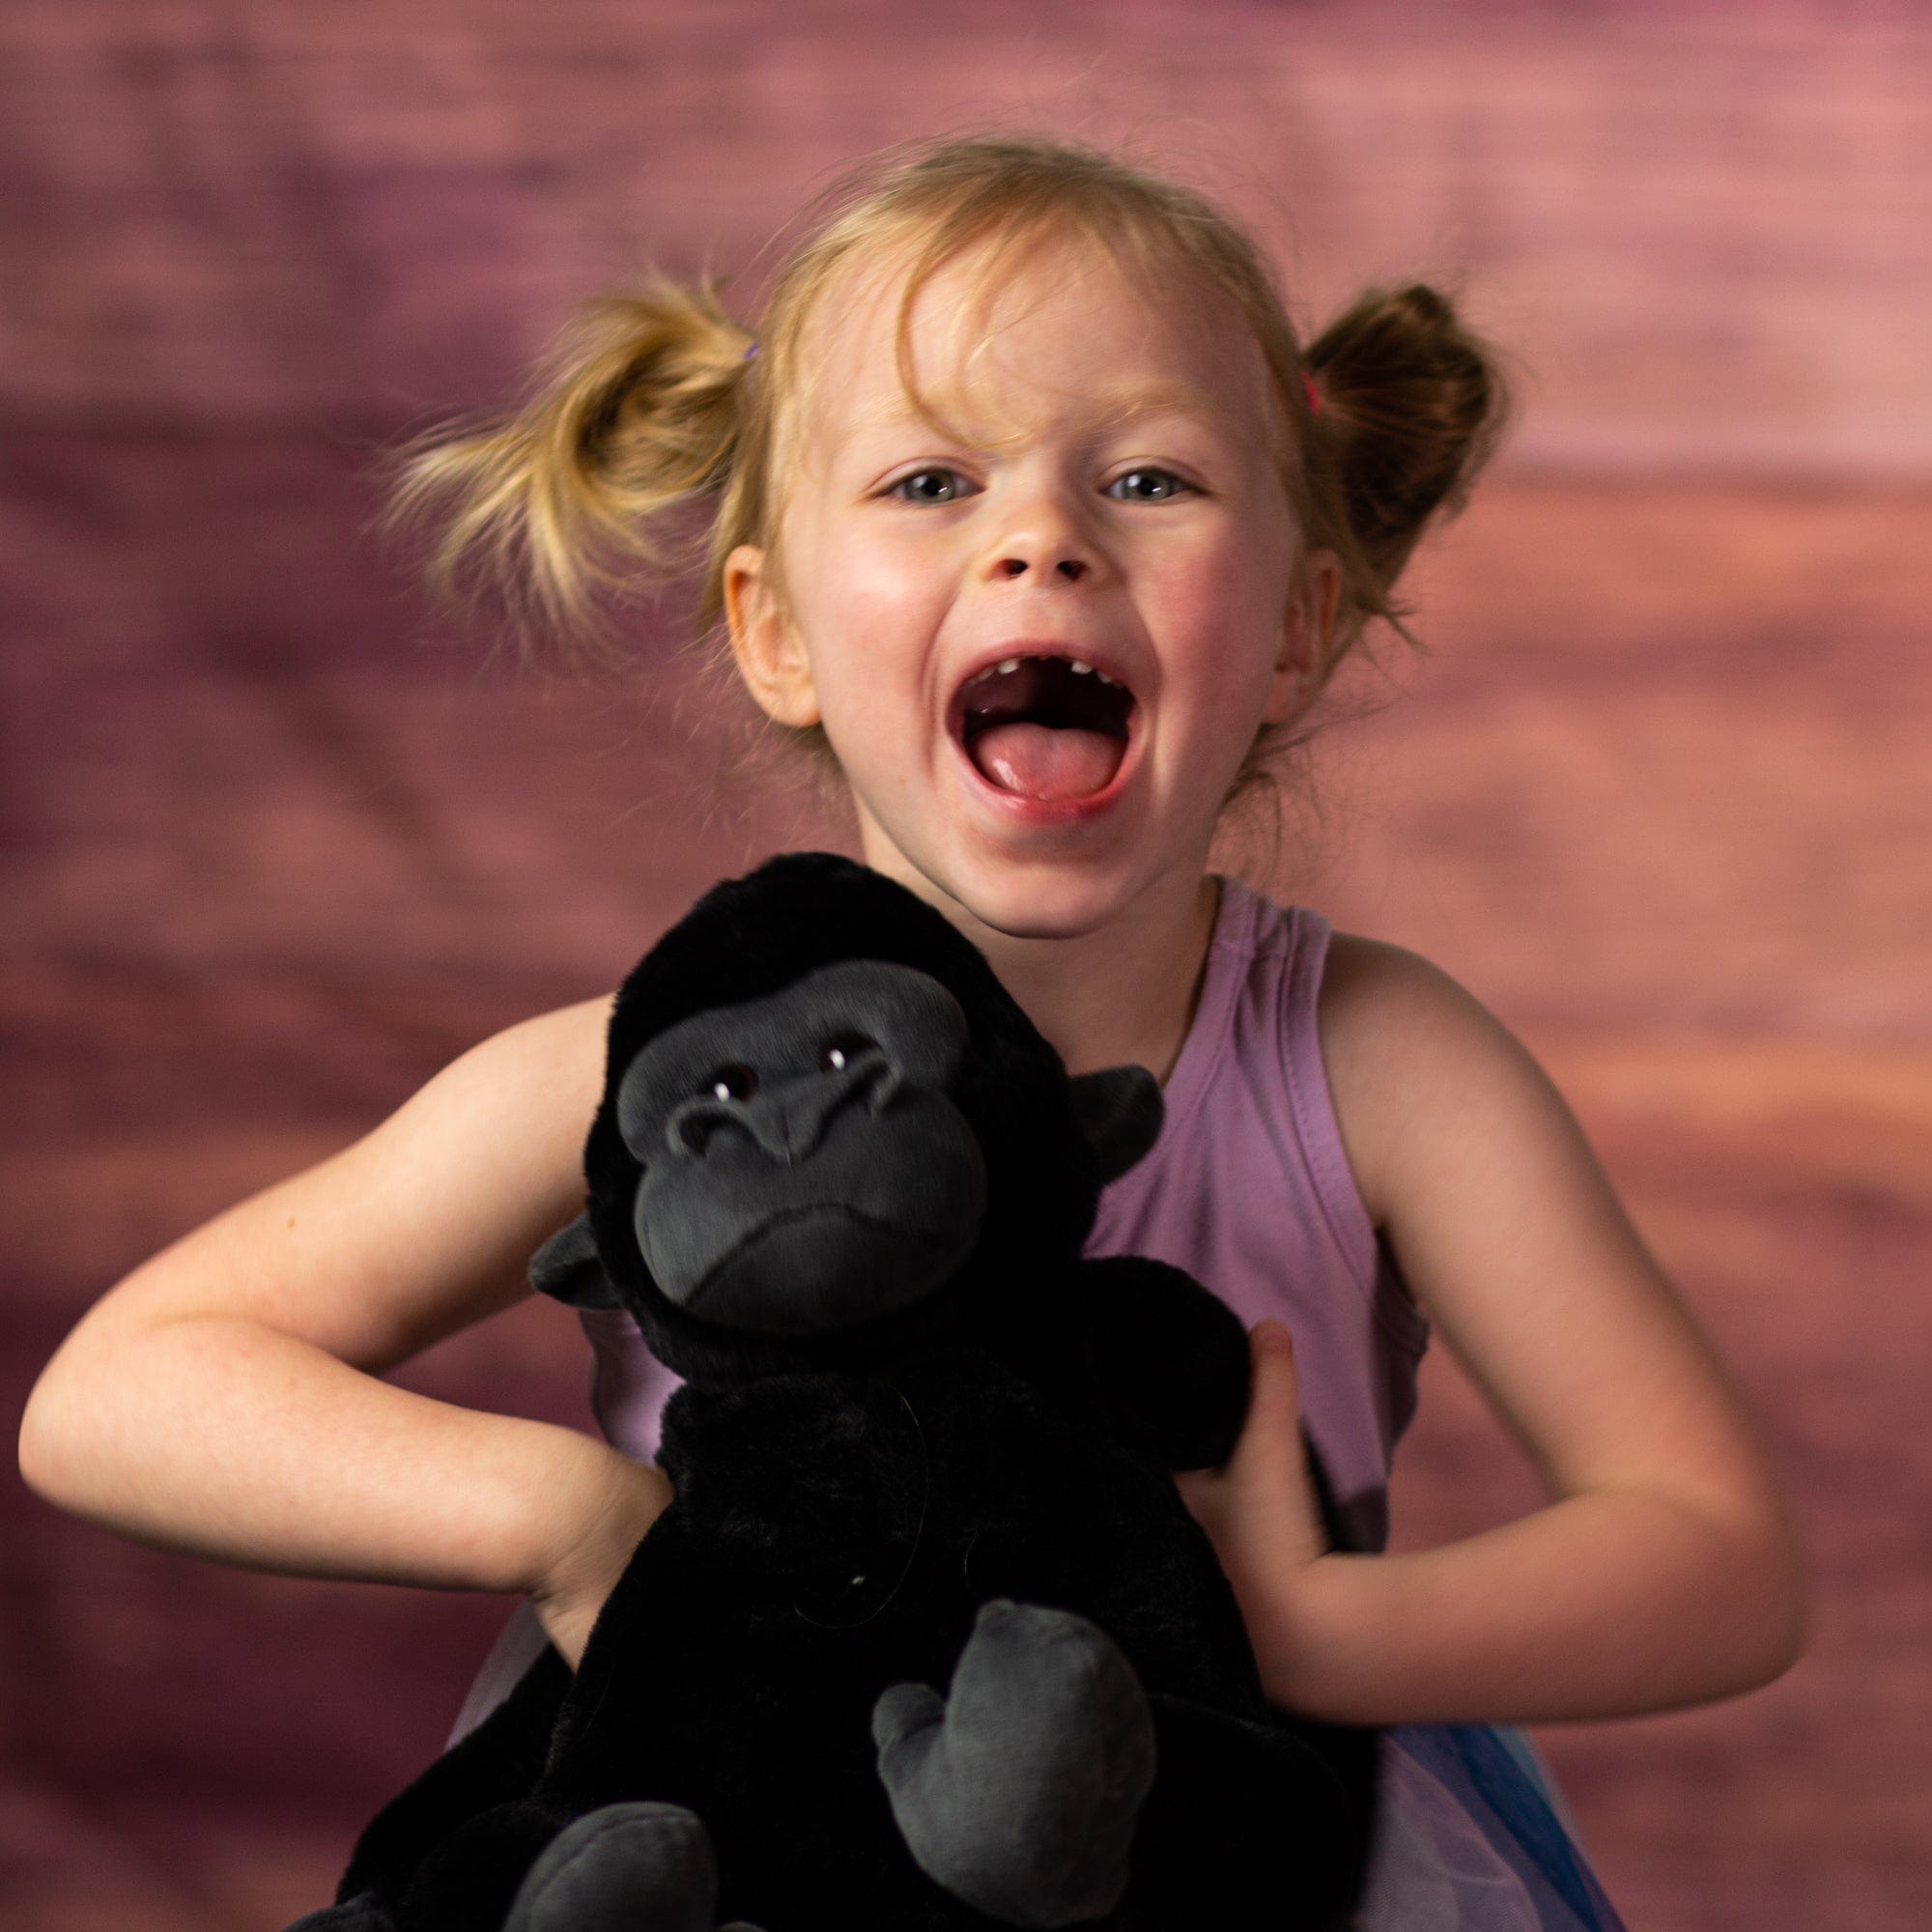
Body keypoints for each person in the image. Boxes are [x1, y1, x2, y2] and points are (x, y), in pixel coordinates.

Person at [18, 135, 1807, 1927]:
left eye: (1150, 476)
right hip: (740, 1838)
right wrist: (561, 1518)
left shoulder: (1375, 1062)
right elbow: (115, 1397)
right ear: (775, 631)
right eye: (934, 479)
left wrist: (1326, 1628)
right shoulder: (651, 1086)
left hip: (1224, 1842)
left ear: (1295, 629)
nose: (1044, 535)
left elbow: (1719, 1558)